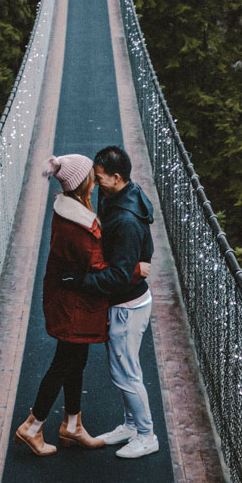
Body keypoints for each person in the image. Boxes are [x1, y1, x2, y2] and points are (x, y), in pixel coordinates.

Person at [63, 143, 158, 460]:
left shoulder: (127, 220)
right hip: (127, 302)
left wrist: (79, 282)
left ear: (117, 178)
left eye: (99, 178)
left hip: (127, 307)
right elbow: (144, 252)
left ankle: (147, 435)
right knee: (124, 368)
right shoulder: (121, 195)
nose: (94, 183)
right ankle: (131, 426)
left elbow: (118, 277)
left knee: (126, 374)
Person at [14, 154, 111, 457]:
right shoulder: (78, 225)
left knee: (75, 359)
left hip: (68, 300)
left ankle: (72, 424)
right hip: (73, 305)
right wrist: (133, 269)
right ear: (83, 183)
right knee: (63, 363)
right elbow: (97, 265)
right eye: (92, 178)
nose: (96, 181)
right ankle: (32, 426)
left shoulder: (68, 211)